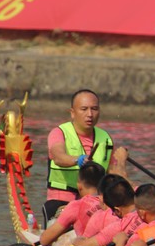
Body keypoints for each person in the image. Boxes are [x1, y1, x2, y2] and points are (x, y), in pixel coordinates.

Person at [45, 89, 127, 222]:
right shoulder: (59, 133)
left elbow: (115, 175)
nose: (90, 114)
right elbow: (58, 156)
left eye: (94, 109)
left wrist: (121, 162)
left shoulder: (106, 138)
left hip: (94, 204)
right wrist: (78, 159)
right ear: (72, 113)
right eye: (84, 109)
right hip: (61, 201)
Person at [37, 161, 106, 246]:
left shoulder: (76, 206)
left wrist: (65, 223)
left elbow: (44, 240)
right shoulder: (112, 201)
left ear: (79, 185)